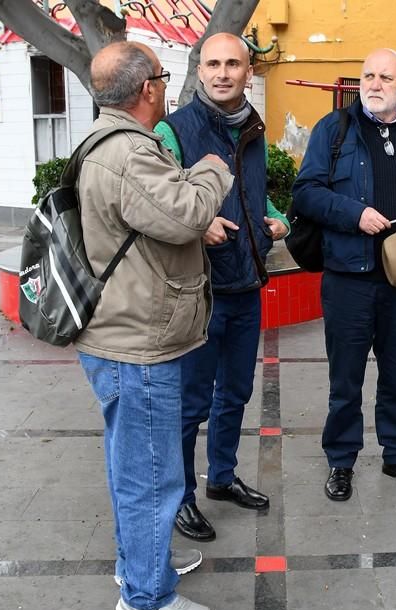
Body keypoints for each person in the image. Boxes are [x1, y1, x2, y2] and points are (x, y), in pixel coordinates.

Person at [75, 41, 233, 610]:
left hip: (122, 335)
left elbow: (158, 218)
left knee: (131, 467)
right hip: (136, 345)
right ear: (148, 89)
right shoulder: (127, 154)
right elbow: (187, 212)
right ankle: (148, 597)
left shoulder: (104, 142)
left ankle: (139, 563)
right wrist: (213, 168)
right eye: (163, 79)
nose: (166, 87)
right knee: (152, 473)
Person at [291, 48, 396, 502]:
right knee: (346, 379)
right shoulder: (335, 129)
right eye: (368, 76)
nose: (374, 84)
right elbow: (306, 193)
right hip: (348, 276)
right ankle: (341, 460)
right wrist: (354, 214)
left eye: (385, 77)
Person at [156, 33, 285, 542]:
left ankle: (223, 478)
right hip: (199, 291)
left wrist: (278, 221)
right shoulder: (174, 130)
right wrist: (196, 222)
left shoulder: (253, 127)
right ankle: (182, 496)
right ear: (200, 69)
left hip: (247, 285)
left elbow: (256, 198)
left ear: (248, 72)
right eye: (212, 64)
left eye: (233, 64)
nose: (222, 73)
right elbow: (159, 202)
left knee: (236, 392)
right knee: (191, 403)